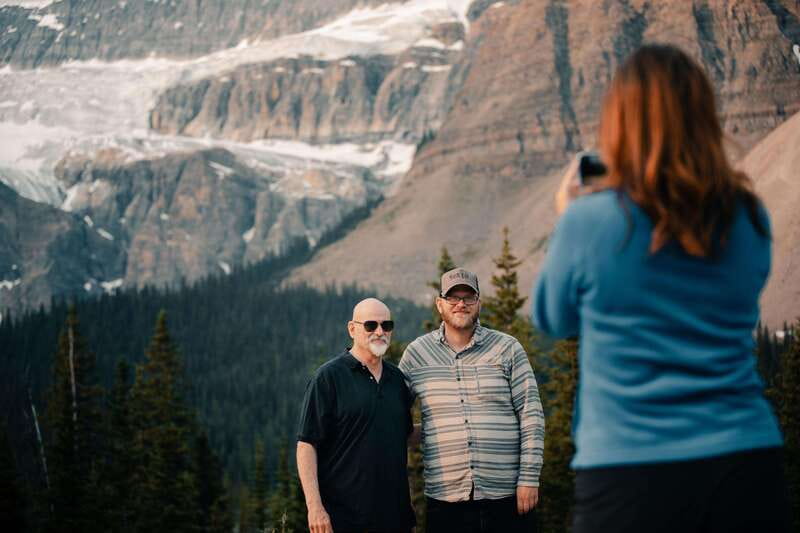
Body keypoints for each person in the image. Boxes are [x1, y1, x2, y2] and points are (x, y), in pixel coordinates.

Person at [532, 44, 791, 532]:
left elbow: (553, 318)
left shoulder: (591, 220)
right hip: (745, 460)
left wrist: (570, 215)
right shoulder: (746, 215)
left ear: (620, 123)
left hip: (626, 472)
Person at [399, 268, 544, 533]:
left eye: (469, 297)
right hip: (445, 501)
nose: (461, 304)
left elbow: (531, 415)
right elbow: (393, 417)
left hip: (508, 497)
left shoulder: (508, 348)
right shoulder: (416, 355)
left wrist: (529, 479)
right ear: (439, 304)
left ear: (479, 303)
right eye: (453, 298)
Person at [296, 298, 415, 533]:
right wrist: (315, 507)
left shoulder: (398, 380)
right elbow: (307, 445)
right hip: (343, 519)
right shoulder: (328, 378)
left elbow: (404, 434)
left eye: (386, 325)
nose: (380, 332)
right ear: (352, 328)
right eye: (370, 325)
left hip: (396, 519)